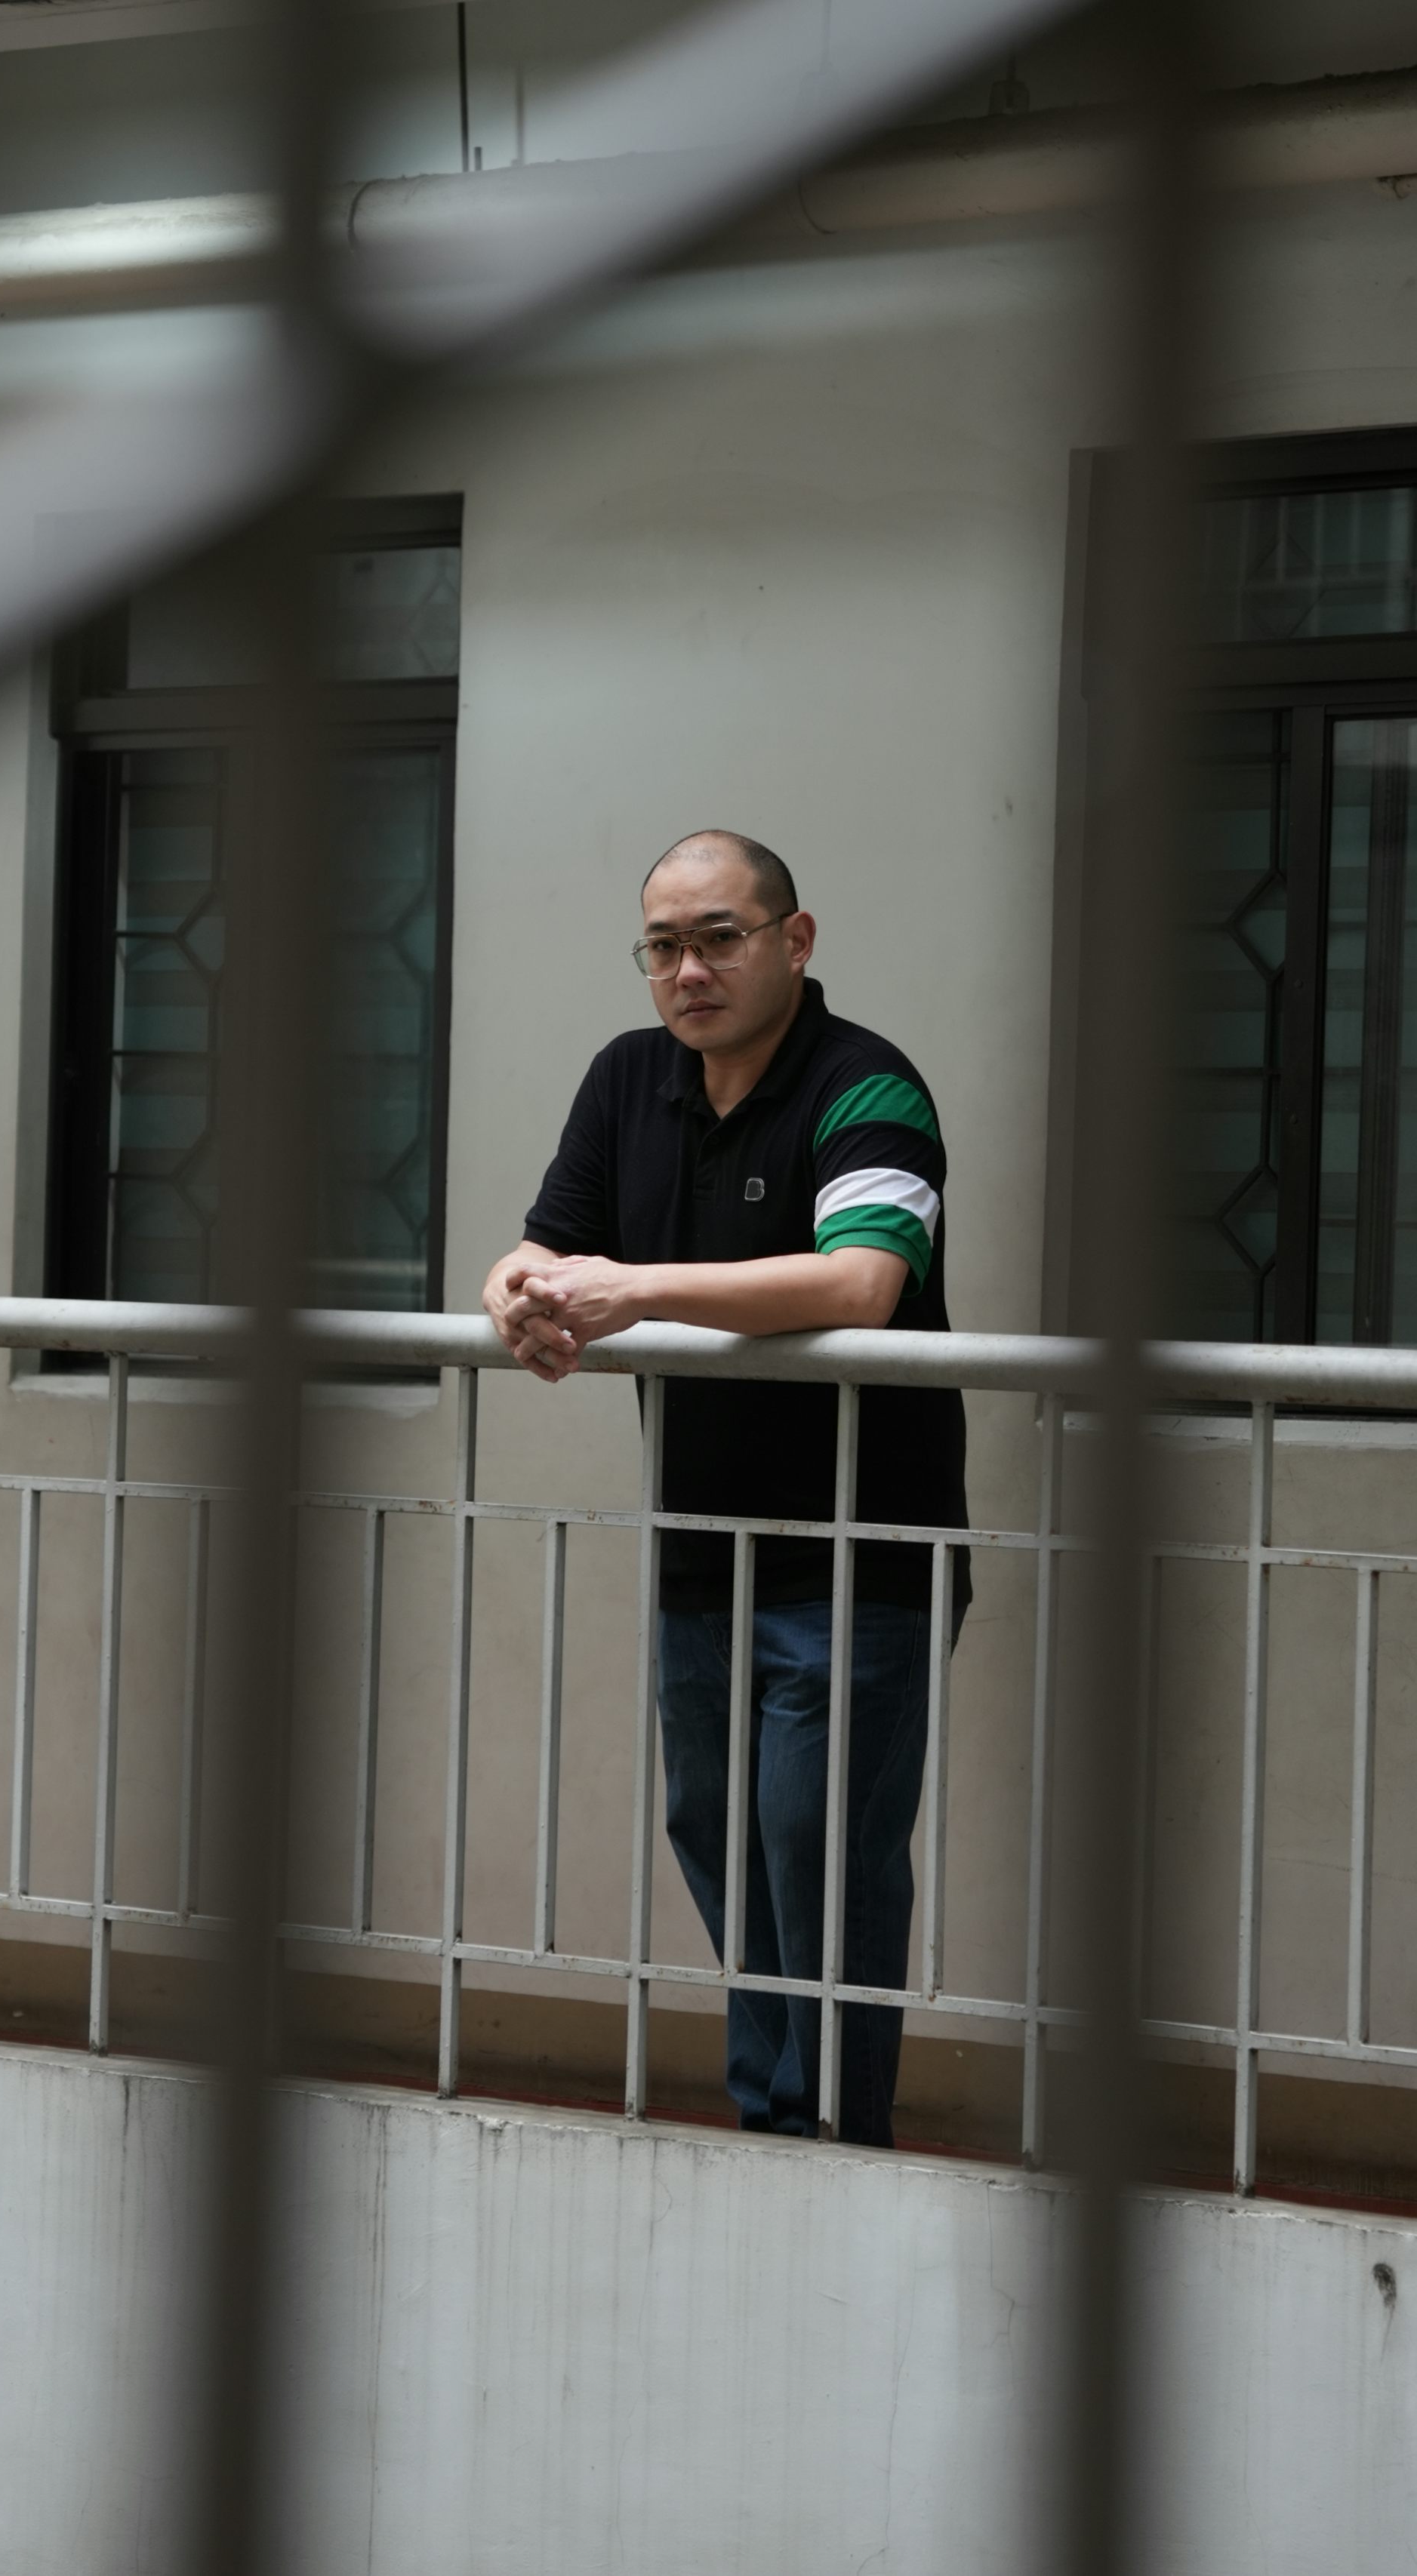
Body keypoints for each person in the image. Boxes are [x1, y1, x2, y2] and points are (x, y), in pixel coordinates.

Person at [482, 829, 969, 2147]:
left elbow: (859, 1284)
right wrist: (513, 1296)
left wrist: (630, 1288)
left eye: (719, 937)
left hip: (864, 1561)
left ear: (794, 941)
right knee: (724, 1840)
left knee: (825, 1863)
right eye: (664, 945)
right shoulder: (629, 1078)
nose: (688, 969)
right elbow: (545, 1243)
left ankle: (833, 2142)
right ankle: (775, 2121)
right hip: (705, 1553)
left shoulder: (868, 1084)